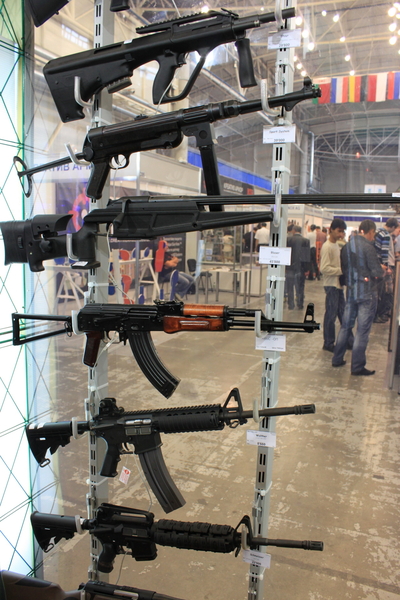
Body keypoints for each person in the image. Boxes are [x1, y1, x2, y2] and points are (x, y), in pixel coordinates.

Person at [332, 219, 384, 376]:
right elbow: (377, 272)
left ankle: (337, 358)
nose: (373, 237)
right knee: (362, 330)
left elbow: (344, 268)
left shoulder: (346, 246)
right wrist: (381, 271)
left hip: (351, 291)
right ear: (370, 232)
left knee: (346, 326)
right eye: (373, 234)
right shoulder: (368, 247)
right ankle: (357, 366)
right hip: (366, 293)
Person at [320, 218, 352, 352]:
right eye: (339, 231)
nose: (341, 234)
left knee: (343, 314)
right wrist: (341, 271)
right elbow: (324, 268)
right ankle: (328, 343)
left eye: (342, 232)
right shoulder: (327, 246)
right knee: (331, 315)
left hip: (337, 285)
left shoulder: (337, 245)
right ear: (331, 230)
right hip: (331, 285)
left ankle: (348, 341)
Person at [373, 217, 398, 323]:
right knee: (387, 291)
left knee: (380, 291)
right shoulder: (386, 235)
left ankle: (380, 313)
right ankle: (381, 313)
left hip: (378, 265)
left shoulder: (379, 232)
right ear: (393, 227)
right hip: (386, 267)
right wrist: (386, 267)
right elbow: (384, 252)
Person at [286, 225, 310, 310]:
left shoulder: (288, 240)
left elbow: (286, 253)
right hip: (301, 267)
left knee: (290, 287)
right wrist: (307, 269)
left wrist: (285, 267)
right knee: (300, 286)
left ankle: (291, 304)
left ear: (293, 230)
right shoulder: (306, 241)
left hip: (290, 266)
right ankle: (300, 303)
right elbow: (307, 256)